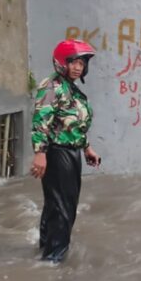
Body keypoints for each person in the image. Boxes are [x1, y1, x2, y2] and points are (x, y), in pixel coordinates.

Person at [30, 39, 101, 263]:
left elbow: (71, 124)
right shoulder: (53, 86)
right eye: (73, 62)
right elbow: (41, 120)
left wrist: (87, 148)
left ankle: (47, 250)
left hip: (69, 151)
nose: (78, 67)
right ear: (62, 63)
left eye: (81, 63)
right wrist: (40, 153)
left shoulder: (69, 88)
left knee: (55, 204)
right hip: (57, 153)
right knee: (64, 208)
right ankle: (54, 260)